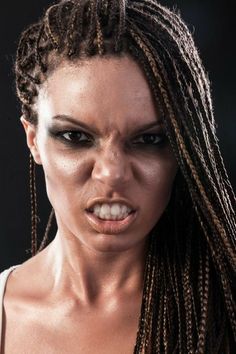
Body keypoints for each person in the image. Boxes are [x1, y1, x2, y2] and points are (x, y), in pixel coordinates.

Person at [0, 0, 235, 352]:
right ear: (33, 139)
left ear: (184, 149)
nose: (112, 173)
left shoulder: (223, 313)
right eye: (76, 137)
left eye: (149, 140)